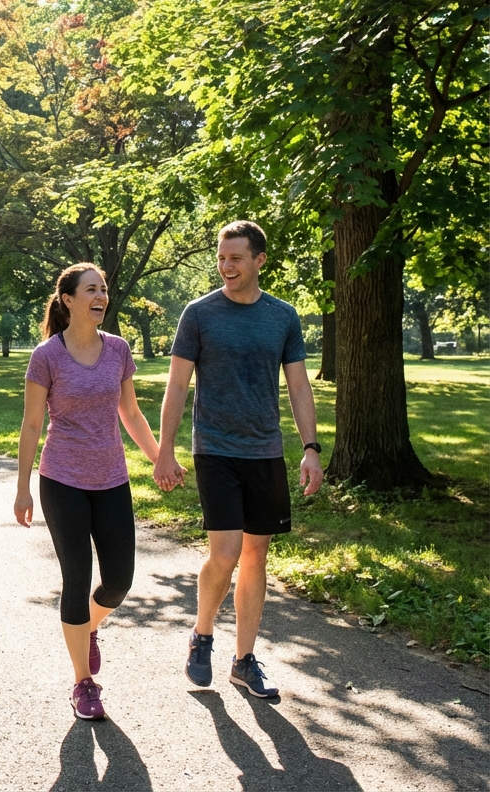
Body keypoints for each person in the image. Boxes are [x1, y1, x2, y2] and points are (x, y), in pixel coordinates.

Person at [155, 220, 323, 699]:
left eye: (235, 258)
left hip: (264, 450)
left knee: (256, 555)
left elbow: (297, 385)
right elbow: (176, 385)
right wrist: (165, 450)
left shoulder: (282, 317)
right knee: (225, 553)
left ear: (258, 261)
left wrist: (310, 449)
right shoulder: (199, 314)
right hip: (215, 448)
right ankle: (202, 635)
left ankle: (245, 661)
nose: (226, 266)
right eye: (221, 258)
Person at [14, 263, 166, 722]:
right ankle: (83, 682)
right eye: (92, 290)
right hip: (62, 481)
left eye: (104, 289)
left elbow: (132, 414)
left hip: (113, 479)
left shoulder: (118, 350)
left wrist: (160, 458)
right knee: (77, 580)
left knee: (119, 579)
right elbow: (32, 423)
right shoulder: (47, 356)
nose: (101, 296)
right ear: (68, 300)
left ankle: (88, 629)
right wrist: (22, 487)